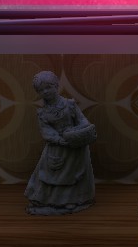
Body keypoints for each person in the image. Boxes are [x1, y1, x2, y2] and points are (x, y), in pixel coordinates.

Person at [24, 71, 97, 215]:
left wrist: (75, 133)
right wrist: (59, 139)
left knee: (72, 175)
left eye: (48, 87)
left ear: (56, 86)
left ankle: (72, 200)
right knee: (53, 175)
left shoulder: (70, 105)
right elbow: (46, 131)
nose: (45, 92)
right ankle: (47, 201)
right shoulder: (42, 113)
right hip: (56, 149)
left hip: (75, 148)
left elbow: (83, 121)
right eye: (41, 90)